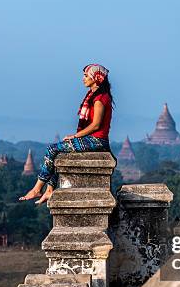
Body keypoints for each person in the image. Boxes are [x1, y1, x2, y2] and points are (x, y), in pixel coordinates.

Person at [19, 63, 114, 204]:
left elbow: (96, 125)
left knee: (52, 149)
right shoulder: (93, 95)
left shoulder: (100, 98)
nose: (83, 78)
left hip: (97, 141)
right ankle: (50, 190)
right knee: (58, 153)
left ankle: (37, 189)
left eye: (86, 76)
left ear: (96, 78)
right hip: (91, 138)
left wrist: (75, 136)